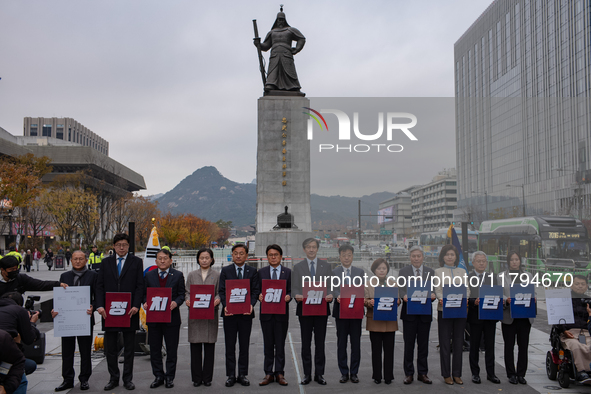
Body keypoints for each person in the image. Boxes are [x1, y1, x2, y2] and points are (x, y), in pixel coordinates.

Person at [95, 233, 144, 391]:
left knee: (129, 347)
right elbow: (99, 286)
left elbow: (139, 286)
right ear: (114, 246)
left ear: (129, 246)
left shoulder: (136, 262)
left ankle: (127, 379)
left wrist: (136, 305)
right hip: (109, 312)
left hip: (130, 311)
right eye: (118, 245)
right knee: (110, 347)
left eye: (124, 245)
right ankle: (113, 378)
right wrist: (100, 306)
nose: (121, 248)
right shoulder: (105, 262)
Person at [51, 250, 96, 391]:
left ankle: (84, 379)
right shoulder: (64, 276)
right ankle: (67, 379)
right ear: (70, 261)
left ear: (86, 260)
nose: (78, 261)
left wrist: (93, 306)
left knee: (85, 351)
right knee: (67, 351)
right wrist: (55, 310)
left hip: (85, 318)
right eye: (75, 259)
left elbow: (98, 295)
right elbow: (59, 296)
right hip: (67, 320)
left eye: (81, 259)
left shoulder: (93, 275)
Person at [292, 238, 333, 385]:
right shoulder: (298, 267)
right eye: (308, 247)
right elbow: (295, 287)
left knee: (320, 343)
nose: (311, 249)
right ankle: (307, 374)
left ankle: (319, 374)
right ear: (304, 249)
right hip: (305, 310)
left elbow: (330, 286)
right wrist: (296, 295)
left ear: (317, 249)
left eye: (313, 247)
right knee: (306, 343)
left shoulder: (326, 266)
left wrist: (330, 294)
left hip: (321, 309)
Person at [218, 243, 260, 387]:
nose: (238, 256)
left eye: (241, 253)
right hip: (229, 314)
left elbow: (255, 291)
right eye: (235, 253)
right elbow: (222, 291)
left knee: (244, 345)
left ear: (246, 256)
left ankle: (242, 374)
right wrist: (225, 305)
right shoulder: (225, 271)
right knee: (229, 346)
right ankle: (230, 375)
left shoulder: (252, 272)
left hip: (245, 314)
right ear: (232, 254)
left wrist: (251, 304)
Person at [143, 249, 185, 389]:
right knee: (155, 349)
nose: (162, 261)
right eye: (159, 258)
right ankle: (158, 376)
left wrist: (176, 302)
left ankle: (169, 377)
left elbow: (181, 294)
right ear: (155, 261)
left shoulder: (178, 275)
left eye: (165, 258)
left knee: (172, 350)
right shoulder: (148, 275)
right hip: (154, 318)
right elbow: (144, 293)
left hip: (171, 318)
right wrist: (145, 302)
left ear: (170, 261)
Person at [398, 246, 436, 385]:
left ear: (423, 257)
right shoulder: (403, 271)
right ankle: (409, 373)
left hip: (425, 313)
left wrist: (433, 295)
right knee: (409, 345)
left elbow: (434, 289)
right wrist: (404, 296)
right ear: (410, 257)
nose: (416, 258)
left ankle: (423, 373)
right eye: (414, 256)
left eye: (418, 256)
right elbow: (400, 288)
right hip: (409, 314)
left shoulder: (431, 272)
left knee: (423, 345)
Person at [434, 244, 470, 385]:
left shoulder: (462, 271)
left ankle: (457, 374)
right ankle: (446, 374)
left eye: (452, 254)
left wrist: (465, 299)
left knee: (458, 342)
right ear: (443, 257)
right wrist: (440, 298)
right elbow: (437, 289)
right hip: (444, 310)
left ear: (456, 257)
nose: (450, 257)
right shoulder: (438, 271)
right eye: (447, 254)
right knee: (444, 342)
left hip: (460, 310)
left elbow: (467, 289)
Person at [184, 248, 220, 387]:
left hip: (211, 316)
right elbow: (187, 291)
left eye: (207, 257)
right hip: (196, 316)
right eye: (202, 258)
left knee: (210, 348)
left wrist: (217, 299)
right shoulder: (192, 275)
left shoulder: (217, 275)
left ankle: (207, 378)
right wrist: (188, 300)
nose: (204, 260)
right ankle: (197, 378)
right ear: (198, 259)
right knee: (195, 348)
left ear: (211, 259)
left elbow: (219, 292)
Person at [498, 251, 535, 385]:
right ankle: (511, 374)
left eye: (517, 259)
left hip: (525, 317)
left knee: (523, 346)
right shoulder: (501, 276)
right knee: (509, 346)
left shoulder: (528, 275)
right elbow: (499, 293)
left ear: (520, 261)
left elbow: (533, 291)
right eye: (512, 259)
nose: (514, 262)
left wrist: (533, 298)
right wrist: (505, 300)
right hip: (509, 316)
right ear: (508, 261)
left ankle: (521, 374)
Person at [257, 244, 291, 386]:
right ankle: (268, 373)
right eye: (270, 255)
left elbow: (291, 290)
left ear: (281, 257)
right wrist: (258, 296)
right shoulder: (261, 272)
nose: (273, 257)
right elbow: (256, 290)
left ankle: (280, 373)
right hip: (266, 314)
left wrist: (289, 296)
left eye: (276, 254)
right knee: (268, 344)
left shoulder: (288, 272)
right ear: (267, 257)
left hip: (281, 314)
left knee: (280, 344)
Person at [332, 244, 365, 384]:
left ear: (353, 256)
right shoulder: (334, 272)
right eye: (344, 255)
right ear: (340, 257)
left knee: (356, 343)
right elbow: (333, 288)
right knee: (342, 343)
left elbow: (361, 289)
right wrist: (337, 296)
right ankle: (344, 372)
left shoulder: (359, 272)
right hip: (341, 312)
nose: (346, 257)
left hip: (356, 312)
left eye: (349, 255)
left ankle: (354, 372)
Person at [254, 7, 306, 93]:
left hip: (286, 53)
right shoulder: (272, 32)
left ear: (285, 20)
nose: (280, 21)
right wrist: (258, 44)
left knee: (289, 71)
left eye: (282, 20)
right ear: (276, 20)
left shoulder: (290, 30)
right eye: (279, 20)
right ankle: (271, 84)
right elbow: (266, 46)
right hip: (274, 54)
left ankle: (293, 86)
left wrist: (297, 49)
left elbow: (301, 38)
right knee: (273, 70)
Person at [467, 251, 500, 384]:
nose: (481, 263)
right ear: (473, 263)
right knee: (474, 346)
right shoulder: (468, 277)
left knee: (490, 345)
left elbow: (497, 294)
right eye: (478, 261)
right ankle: (475, 373)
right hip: (475, 316)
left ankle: (491, 373)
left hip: (490, 316)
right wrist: (473, 301)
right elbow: (466, 296)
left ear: (486, 263)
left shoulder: (493, 277)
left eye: (483, 261)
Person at [364, 258, 397, 385]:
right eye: (379, 268)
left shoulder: (393, 283)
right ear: (374, 270)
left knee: (389, 351)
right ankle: (377, 375)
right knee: (376, 350)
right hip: (374, 321)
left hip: (389, 322)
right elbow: (364, 300)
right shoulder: (368, 284)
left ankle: (388, 376)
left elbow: (397, 300)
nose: (381, 271)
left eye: (384, 268)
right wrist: (369, 302)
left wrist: (398, 301)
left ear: (387, 270)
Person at [556, 275, 591, 383]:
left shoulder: (589, 301)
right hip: (568, 332)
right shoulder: (563, 300)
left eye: (582, 284)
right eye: (577, 284)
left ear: (586, 287)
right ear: (571, 285)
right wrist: (564, 331)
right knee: (576, 346)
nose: (580, 286)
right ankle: (581, 371)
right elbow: (557, 318)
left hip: (587, 332)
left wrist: (590, 314)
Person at [0, 292, 40, 376]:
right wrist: (31, 323)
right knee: (28, 365)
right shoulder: (19, 310)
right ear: (19, 304)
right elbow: (29, 339)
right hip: (4, 358)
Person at [0, 256, 66, 297]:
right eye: (11, 270)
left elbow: (40, 285)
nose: (14, 271)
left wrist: (58, 284)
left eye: (16, 269)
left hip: (16, 312)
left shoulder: (21, 279)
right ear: (2, 269)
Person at [0, 329, 27, 394]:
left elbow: (18, 361)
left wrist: (6, 388)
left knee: (20, 378)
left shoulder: (2, 338)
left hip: (6, 364)